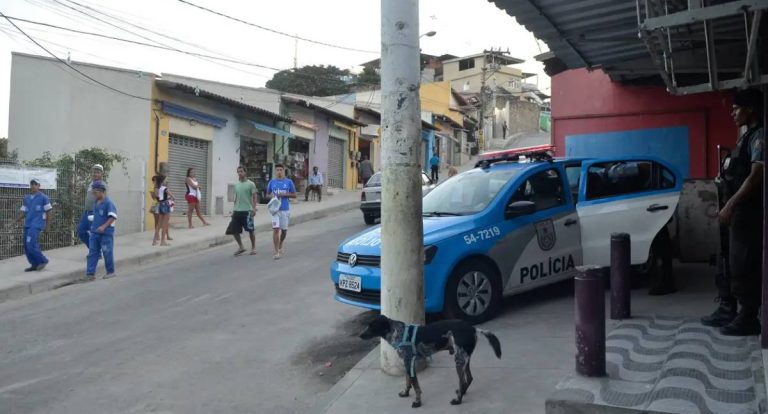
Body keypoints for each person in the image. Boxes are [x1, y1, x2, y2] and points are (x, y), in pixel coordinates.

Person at [701, 88, 764, 336]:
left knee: (743, 263)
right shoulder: (744, 138)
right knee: (727, 260)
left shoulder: (759, 136)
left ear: (750, 109)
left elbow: (756, 175)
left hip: (747, 212)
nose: (733, 113)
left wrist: (731, 204)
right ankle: (728, 307)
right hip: (734, 213)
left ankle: (748, 316)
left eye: (737, 109)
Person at [13, 178, 53, 272]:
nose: (33, 186)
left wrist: (48, 226)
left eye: (35, 184)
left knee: (30, 243)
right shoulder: (26, 198)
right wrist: (16, 220)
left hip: (37, 225)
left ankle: (43, 260)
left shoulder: (44, 197)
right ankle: (34, 264)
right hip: (28, 224)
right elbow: (24, 212)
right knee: (26, 245)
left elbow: (49, 212)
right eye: (32, 184)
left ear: (39, 186)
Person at [84, 180, 117, 281]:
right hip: (95, 233)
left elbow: (112, 217)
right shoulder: (95, 203)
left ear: (102, 191)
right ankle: (90, 273)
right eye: (93, 192)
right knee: (93, 253)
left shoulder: (108, 203)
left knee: (107, 252)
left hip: (105, 234)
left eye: (95, 192)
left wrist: (103, 227)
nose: (94, 194)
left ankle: (110, 271)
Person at [226, 166, 258, 256]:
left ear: (245, 172)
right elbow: (236, 198)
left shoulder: (251, 184)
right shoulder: (236, 185)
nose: (239, 173)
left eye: (241, 171)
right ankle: (241, 247)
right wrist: (233, 209)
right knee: (233, 229)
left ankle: (253, 247)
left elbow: (255, 196)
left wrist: (254, 208)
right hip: (237, 210)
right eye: (238, 172)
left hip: (247, 210)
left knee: (250, 230)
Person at [267, 164, 296, 260]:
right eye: (277, 170)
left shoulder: (289, 182)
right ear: (275, 171)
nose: (279, 172)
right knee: (275, 230)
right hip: (275, 210)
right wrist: (272, 196)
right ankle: (276, 251)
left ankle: (280, 244)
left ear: (284, 171)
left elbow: (294, 194)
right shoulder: (272, 182)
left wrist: (284, 194)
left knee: (284, 231)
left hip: (285, 209)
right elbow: (267, 194)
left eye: (281, 170)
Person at [77, 164, 105, 247]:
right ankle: (94, 249)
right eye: (94, 172)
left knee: (94, 233)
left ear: (102, 174)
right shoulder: (91, 184)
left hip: (94, 212)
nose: (95, 174)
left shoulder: (102, 185)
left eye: (98, 172)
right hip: (86, 212)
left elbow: (104, 200)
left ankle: (97, 252)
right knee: (81, 231)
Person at [152, 175, 174, 246]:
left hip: (160, 204)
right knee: (165, 224)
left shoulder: (157, 188)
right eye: (165, 180)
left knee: (159, 224)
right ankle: (162, 241)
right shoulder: (164, 188)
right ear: (162, 181)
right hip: (166, 204)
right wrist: (171, 197)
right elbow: (172, 195)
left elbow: (157, 197)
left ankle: (154, 241)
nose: (166, 181)